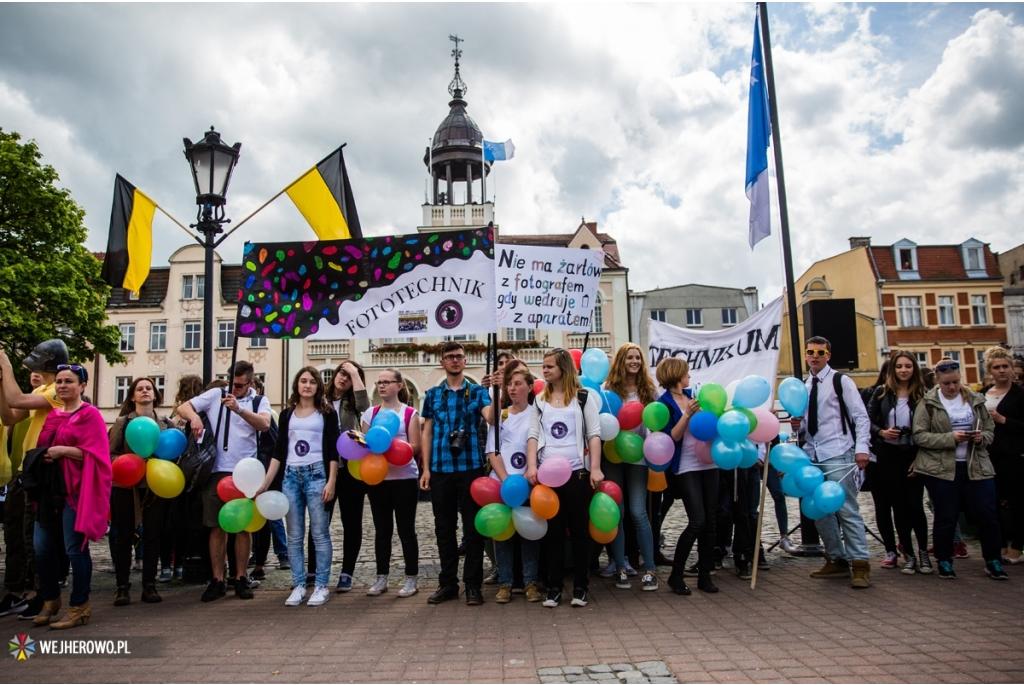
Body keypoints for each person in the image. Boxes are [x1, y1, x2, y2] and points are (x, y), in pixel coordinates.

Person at [176, 360, 272, 602]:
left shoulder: (259, 401)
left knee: (242, 526)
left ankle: (241, 577)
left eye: (240, 385)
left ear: (251, 383)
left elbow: (265, 424)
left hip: (246, 471)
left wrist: (238, 408)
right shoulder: (215, 394)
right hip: (217, 470)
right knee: (216, 526)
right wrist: (194, 419)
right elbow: (184, 407)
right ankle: (217, 579)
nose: (235, 388)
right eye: (233, 383)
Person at [31, 364, 112, 629]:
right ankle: (50, 600)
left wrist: (64, 450)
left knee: (74, 549)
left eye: (69, 381)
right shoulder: (53, 415)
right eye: (59, 382)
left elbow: (98, 456)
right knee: (41, 548)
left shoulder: (91, 416)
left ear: (82, 386)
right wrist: (43, 454)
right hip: (49, 491)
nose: (63, 385)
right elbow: (42, 446)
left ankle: (79, 606)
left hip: (76, 492)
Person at [912, 358, 1006, 580]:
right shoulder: (928, 403)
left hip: (976, 464)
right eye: (947, 383)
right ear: (937, 380)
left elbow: (990, 429)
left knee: (988, 514)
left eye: (955, 382)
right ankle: (944, 560)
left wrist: (981, 438)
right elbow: (919, 435)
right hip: (942, 469)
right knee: (946, 515)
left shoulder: (975, 399)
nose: (952, 387)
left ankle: (992, 559)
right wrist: (950, 438)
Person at [791, 336, 873, 589]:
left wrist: (862, 449)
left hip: (838, 451)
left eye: (820, 352)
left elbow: (861, 416)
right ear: (805, 355)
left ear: (828, 355)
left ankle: (860, 563)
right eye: (810, 351)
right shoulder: (804, 386)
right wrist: (798, 424)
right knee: (819, 510)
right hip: (813, 453)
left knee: (846, 508)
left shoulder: (841, 381)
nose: (814, 356)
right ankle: (836, 558)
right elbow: (808, 422)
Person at [256, 367, 339, 607]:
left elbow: (333, 449)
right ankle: (299, 584)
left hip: (317, 474)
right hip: (290, 476)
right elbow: (279, 451)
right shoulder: (287, 414)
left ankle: (321, 585)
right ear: (297, 385)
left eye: (312, 382)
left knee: (320, 534)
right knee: (294, 535)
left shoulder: (326, 413)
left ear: (318, 386)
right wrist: (266, 483)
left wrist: (331, 481)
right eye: (303, 381)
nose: (307, 385)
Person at [527, 348, 603, 608]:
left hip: (577, 474)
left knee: (579, 531)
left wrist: (595, 468)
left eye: (549, 366)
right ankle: (555, 587)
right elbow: (533, 435)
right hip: (548, 477)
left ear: (563, 368)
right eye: (544, 366)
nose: (544, 370)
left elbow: (594, 434)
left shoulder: (583, 398)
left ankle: (581, 586)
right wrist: (531, 466)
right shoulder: (540, 400)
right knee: (554, 533)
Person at [420, 341, 493, 605]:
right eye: (450, 357)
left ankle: (472, 585)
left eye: (459, 357)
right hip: (440, 469)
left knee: (473, 529)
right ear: (442, 362)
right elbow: (426, 432)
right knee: (444, 529)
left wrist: (497, 390)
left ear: (465, 361)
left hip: (470, 468)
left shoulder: (477, 393)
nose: (455, 360)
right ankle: (448, 583)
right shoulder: (432, 395)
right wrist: (425, 468)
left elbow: (492, 418)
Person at [0, 342, 67, 621]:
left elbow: (17, 400)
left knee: (35, 539)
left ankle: (44, 595)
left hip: (42, 474)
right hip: (23, 472)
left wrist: (5, 364)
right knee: (15, 535)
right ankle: (16, 593)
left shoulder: (57, 391)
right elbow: (9, 415)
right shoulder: (41, 389)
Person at [108, 377, 177, 604]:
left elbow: (174, 453)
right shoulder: (122, 422)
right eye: (140, 389)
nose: (145, 391)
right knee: (124, 535)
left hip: (155, 485)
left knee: (152, 535)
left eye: (149, 388)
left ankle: (149, 585)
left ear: (156, 395)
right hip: (126, 486)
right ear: (132, 396)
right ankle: (122, 587)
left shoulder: (166, 423)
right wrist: (132, 462)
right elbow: (110, 454)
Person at [599, 343, 659, 591]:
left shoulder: (649, 392)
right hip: (612, 456)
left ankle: (651, 569)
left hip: (638, 458)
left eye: (638, 358)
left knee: (638, 512)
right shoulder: (607, 390)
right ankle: (621, 567)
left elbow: (654, 425)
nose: (634, 361)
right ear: (621, 361)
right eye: (630, 358)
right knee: (618, 513)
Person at [656, 357, 718, 596]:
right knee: (697, 521)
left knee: (710, 522)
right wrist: (687, 415)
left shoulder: (696, 396)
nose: (689, 377)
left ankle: (705, 575)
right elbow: (672, 437)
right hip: (686, 467)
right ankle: (676, 575)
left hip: (708, 463)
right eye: (686, 373)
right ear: (676, 375)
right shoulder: (664, 404)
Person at [867, 351, 931, 574]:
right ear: (892, 369)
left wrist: (920, 457)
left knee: (915, 505)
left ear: (914, 368)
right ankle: (909, 555)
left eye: (908, 366)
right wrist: (883, 432)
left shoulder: (924, 394)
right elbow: (868, 422)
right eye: (899, 366)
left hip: (914, 456)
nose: (904, 370)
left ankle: (923, 552)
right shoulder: (882, 393)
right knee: (899, 508)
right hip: (888, 456)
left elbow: (932, 427)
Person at [361, 368, 421, 598]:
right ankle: (381, 577)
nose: (382, 386)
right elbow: (364, 443)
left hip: (404, 478)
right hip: (378, 479)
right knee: (382, 530)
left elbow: (415, 446)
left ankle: (411, 578)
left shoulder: (410, 413)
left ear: (399, 385)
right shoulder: (371, 413)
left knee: (407, 530)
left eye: (387, 382)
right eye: (379, 382)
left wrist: (392, 448)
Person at [485, 365, 542, 603]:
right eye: (510, 384)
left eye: (518, 383)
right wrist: (506, 480)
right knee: (503, 533)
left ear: (530, 387)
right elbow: (492, 450)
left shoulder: (537, 415)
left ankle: (530, 581)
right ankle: (505, 583)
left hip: (528, 481)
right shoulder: (501, 415)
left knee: (529, 532)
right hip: (504, 481)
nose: (513, 388)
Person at [327, 361, 370, 592]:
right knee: (320, 522)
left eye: (350, 376)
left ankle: (347, 572)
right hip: (324, 470)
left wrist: (355, 372)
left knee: (351, 522)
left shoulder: (352, 403)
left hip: (351, 471)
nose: (344, 378)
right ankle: (315, 570)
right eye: (342, 373)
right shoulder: (320, 399)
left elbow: (365, 403)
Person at [980, 347, 1024, 564]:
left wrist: (1003, 420)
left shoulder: (1019, 394)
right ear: (990, 370)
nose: (1001, 371)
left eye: (1005, 366)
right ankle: (1000, 545)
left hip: (1014, 455)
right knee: (991, 503)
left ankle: (1018, 547)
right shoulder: (982, 394)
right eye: (996, 368)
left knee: (1018, 503)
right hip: (987, 455)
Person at [862, 361, 901, 569]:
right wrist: (880, 433)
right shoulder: (872, 393)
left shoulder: (912, 396)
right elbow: (865, 421)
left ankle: (908, 547)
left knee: (905, 506)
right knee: (882, 506)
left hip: (902, 457)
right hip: (877, 457)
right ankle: (890, 549)